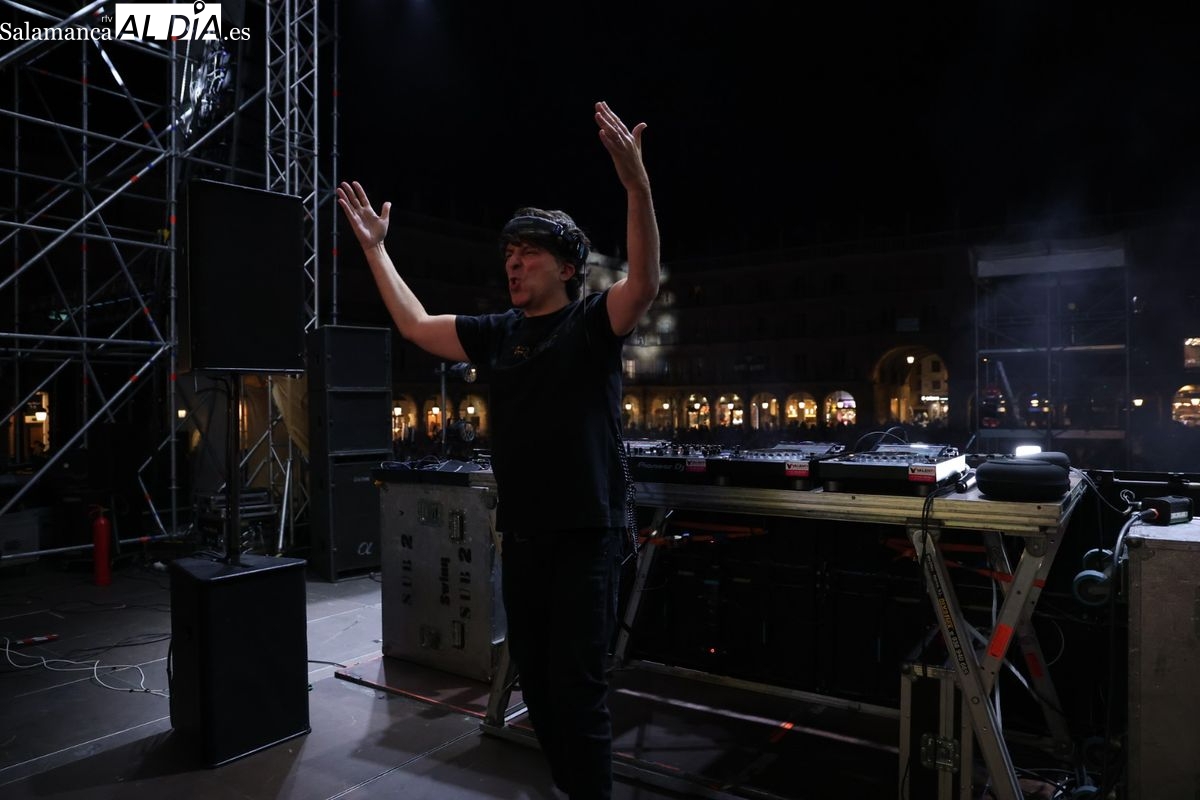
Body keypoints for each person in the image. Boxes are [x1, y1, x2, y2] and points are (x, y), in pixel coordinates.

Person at [337, 100, 660, 800]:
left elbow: (643, 285)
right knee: (536, 688)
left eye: (529, 254)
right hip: (524, 534)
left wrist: (636, 185)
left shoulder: (591, 323)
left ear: (569, 267)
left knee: (577, 690)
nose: (513, 264)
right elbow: (417, 325)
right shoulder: (499, 332)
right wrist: (375, 249)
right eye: (509, 255)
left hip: (587, 535)